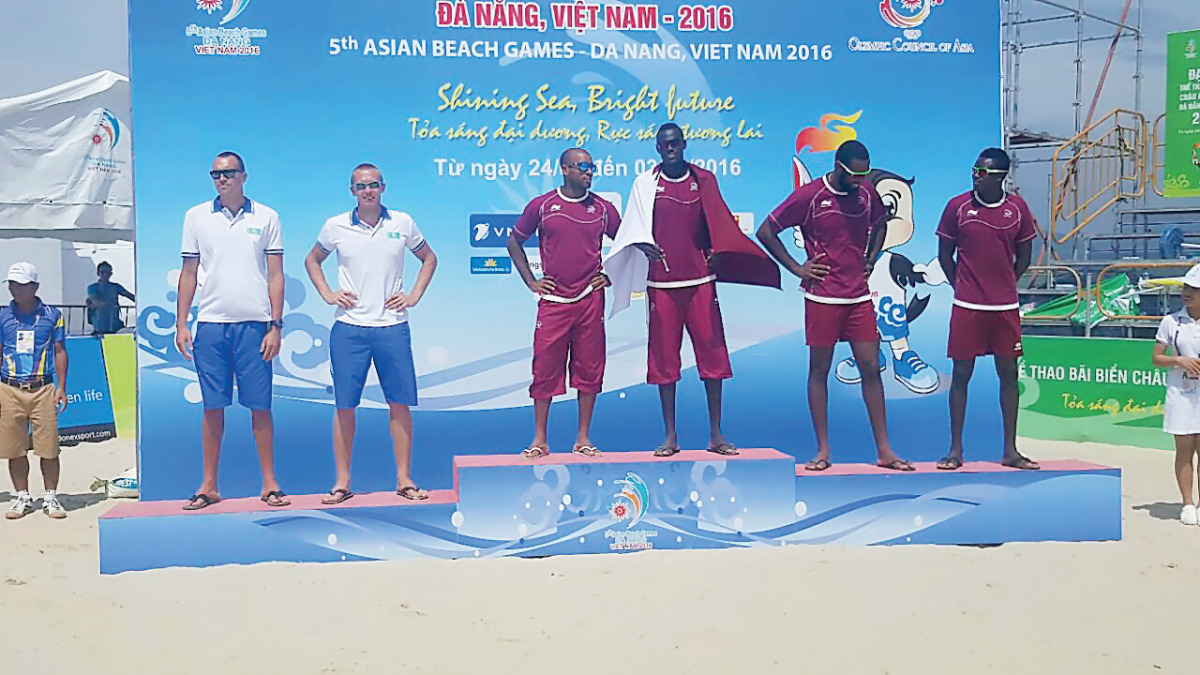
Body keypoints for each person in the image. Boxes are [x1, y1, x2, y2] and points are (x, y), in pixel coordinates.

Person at [607, 122, 780, 457]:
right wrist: (642, 245)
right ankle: (670, 437)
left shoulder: (703, 180)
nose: (670, 149)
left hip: (700, 283)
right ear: (657, 148)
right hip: (662, 285)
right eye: (664, 145)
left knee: (713, 358)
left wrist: (718, 250)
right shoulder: (645, 184)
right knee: (663, 362)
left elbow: (720, 222)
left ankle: (716, 435)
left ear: (684, 144)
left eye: (675, 143)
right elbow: (631, 229)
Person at [757, 140, 912, 471]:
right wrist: (798, 268)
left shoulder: (867, 192)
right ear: (839, 167)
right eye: (854, 174)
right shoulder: (810, 196)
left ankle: (885, 451)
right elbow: (766, 231)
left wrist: (871, 257)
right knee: (820, 370)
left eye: (864, 174)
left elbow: (880, 223)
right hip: (823, 296)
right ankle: (823, 451)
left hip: (857, 295)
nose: (860, 181)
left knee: (871, 369)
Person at [304, 164, 438, 503]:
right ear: (352, 190)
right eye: (362, 186)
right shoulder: (335, 226)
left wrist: (414, 296)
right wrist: (327, 293)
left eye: (374, 185)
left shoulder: (402, 223)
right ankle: (342, 483)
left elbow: (429, 258)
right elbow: (312, 260)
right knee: (345, 405)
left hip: (392, 327)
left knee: (400, 403)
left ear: (383, 188)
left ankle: (405, 479)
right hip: (350, 328)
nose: (368, 191)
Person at [174, 151, 289, 510]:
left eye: (229, 173)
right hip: (210, 325)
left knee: (260, 407)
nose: (222, 180)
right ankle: (209, 485)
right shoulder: (195, 217)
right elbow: (189, 273)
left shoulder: (267, 216)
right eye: (216, 174)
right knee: (212, 408)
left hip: (255, 327)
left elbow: (275, 275)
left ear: (244, 176)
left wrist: (275, 325)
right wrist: (181, 323)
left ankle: (270, 484)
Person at [507, 148, 622, 459]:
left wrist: (611, 274)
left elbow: (628, 244)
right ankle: (540, 440)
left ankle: (583, 438)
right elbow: (514, 241)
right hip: (554, 301)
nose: (589, 172)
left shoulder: (603, 209)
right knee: (544, 368)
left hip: (589, 299)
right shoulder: (543, 206)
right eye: (583, 166)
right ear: (564, 169)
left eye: (592, 166)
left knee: (589, 368)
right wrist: (532, 282)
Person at [935, 148, 1039, 470]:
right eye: (974, 170)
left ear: (1000, 177)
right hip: (967, 305)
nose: (975, 176)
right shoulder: (958, 207)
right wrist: (963, 287)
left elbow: (1023, 257)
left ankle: (1010, 451)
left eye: (982, 172)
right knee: (961, 375)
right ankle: (955, 450)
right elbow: (944, 257)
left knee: (1008, 375)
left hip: (1004, 307)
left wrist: (1005, 284)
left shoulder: (1017, 209)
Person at [2, 262, 69, 519]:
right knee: (14, 447)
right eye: (11, 284)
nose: (14, 289)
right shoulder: (2, 315)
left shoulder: (53, 315)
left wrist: (62, 387)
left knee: (49, 447)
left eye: (20, 284)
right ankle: (22, 497)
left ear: (34, 287)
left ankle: (51, 497)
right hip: (9, 387)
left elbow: (60, 350)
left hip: (43, 387)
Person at [1151, 264, 1200, 525]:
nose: (1187, 293)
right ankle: (1188, 504)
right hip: (1181, 394)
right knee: (1184, 449)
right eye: (1186, 287)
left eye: (1194, 289)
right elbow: (1157, 358)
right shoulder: (1171, 321)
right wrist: (1179, 361)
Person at [86, 261, 135, 335]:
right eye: (102, 272)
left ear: (111, 274)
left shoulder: (116, 287)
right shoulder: (93, 287)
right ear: (98, 273)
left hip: (114, 323)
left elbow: (130, 296)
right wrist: (107, 305)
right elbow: (94, 299)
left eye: (108, 273)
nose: (105, 275)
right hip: (99, 324)